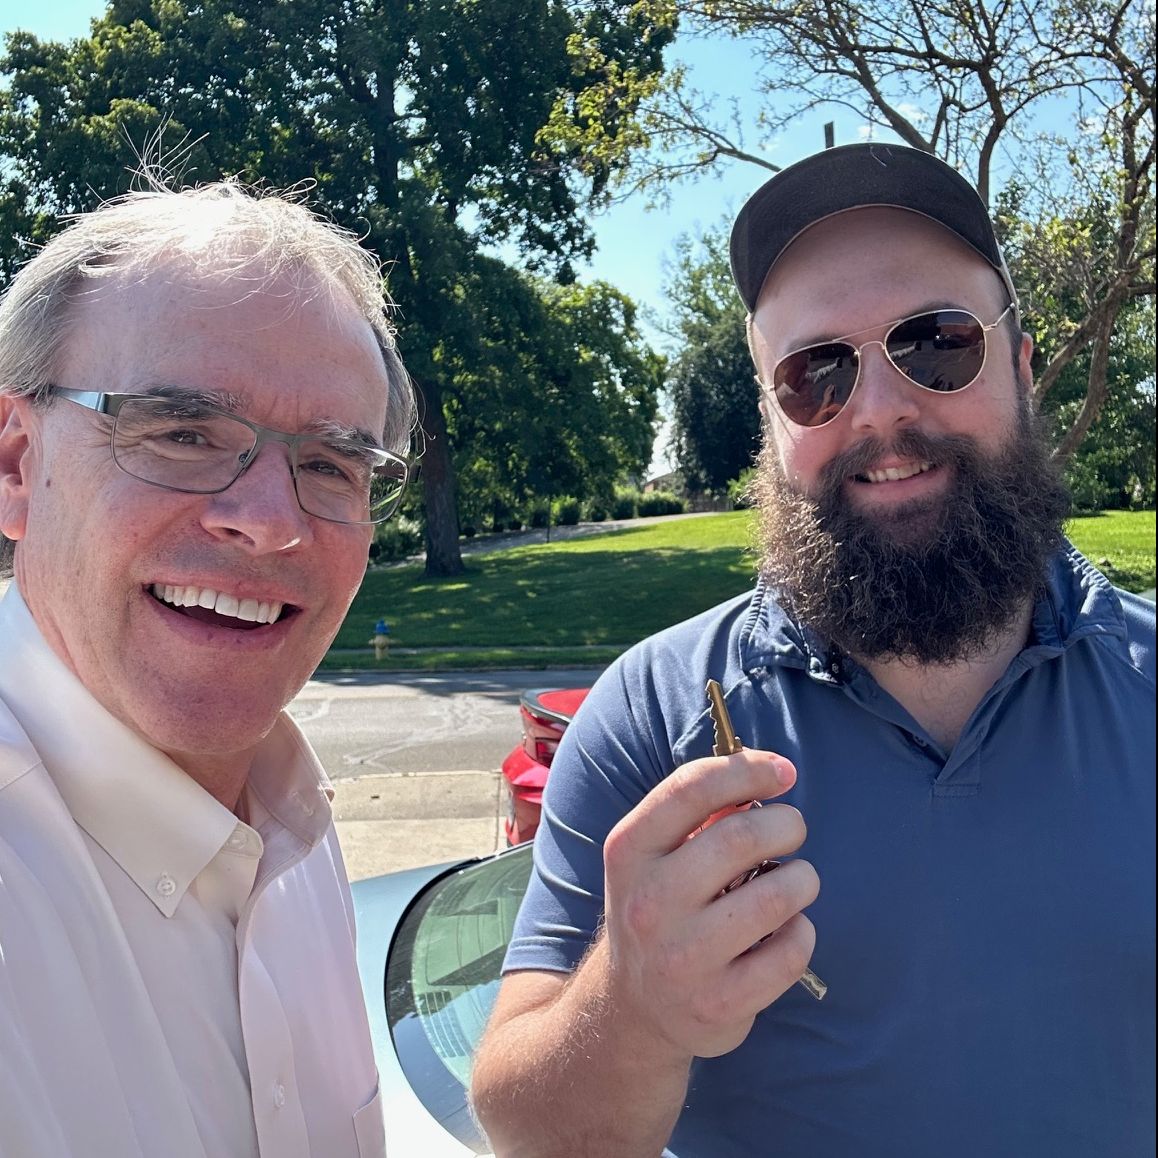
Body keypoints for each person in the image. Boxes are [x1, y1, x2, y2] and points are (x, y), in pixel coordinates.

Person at [470, 143, 1156, 1157]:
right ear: (771, 423)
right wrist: (633, 1008)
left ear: (1018, 366)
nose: (879, 410)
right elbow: (524, 1131)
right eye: (814, 374)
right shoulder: (653, 719)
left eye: (936, 343)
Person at [0, 180, 417, 1157]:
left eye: (331, 465)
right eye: (182, 433)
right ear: (16, 464)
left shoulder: (291, 825)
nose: (269, 523)